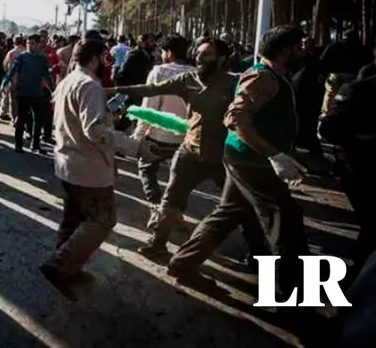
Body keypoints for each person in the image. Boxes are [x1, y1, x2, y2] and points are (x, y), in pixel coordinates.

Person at [167, 26, 308, 295]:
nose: (304, 50)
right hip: (252, 162)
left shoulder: (275, 76)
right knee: (285, 219)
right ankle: (292, 298)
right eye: (299, 46)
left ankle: (183, 263)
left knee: (228, 213)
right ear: (284, 51)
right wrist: (274, 155)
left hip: (246, 159)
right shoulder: (261, 77)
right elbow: (236, 118)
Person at [108, 38, 267, 261]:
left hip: (223, 157)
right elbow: (151, 89)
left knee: (241, 205)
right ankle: (157, 244)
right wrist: (113, 90)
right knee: (170, 201)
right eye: (198, 54)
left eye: (207, 55)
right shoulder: (188, 79)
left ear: (223, 59)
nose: (200, 59)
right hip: (189, 153)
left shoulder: (236, 84)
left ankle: (258, 252)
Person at [42, 38, 151, 300]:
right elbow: (94, 130)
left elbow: (78, 118)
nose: (107, 63)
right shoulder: (90, 85)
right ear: (94, 59)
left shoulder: (69, 80)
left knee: (74, 218)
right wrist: (134, 146)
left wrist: (107, 116)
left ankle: (67, 263)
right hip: (88, 169)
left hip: (68, 164)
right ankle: (59, 266)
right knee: (103, 220)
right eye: (104, 58)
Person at [319, 70, 376, 280]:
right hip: (361, 167)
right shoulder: (357, 90)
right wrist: (364, 141)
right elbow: (328, 128)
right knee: (373, 226)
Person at [129, 34, 193, 209]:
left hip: (159, 136)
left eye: (163, 51)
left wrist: (138, 136)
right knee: (179, 177)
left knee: (146, 167)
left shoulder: (159, 72)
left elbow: (149, 107)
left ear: (169, 52)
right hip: (185, 138)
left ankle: (156, 205)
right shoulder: (195, 73)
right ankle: (175, 210)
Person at [8, 34, 52, 153]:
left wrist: (53, 90)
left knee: (38, 119)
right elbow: (13, 71)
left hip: (37, 93)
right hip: (23, 92)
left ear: (38, 44)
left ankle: (35, 144)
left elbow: (46, 76)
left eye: (32, 43)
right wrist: (6, 83)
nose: (29, 46)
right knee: (22, 118)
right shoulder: (22, 57)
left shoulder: (42, 59)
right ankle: (18, 144)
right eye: (28, 43)